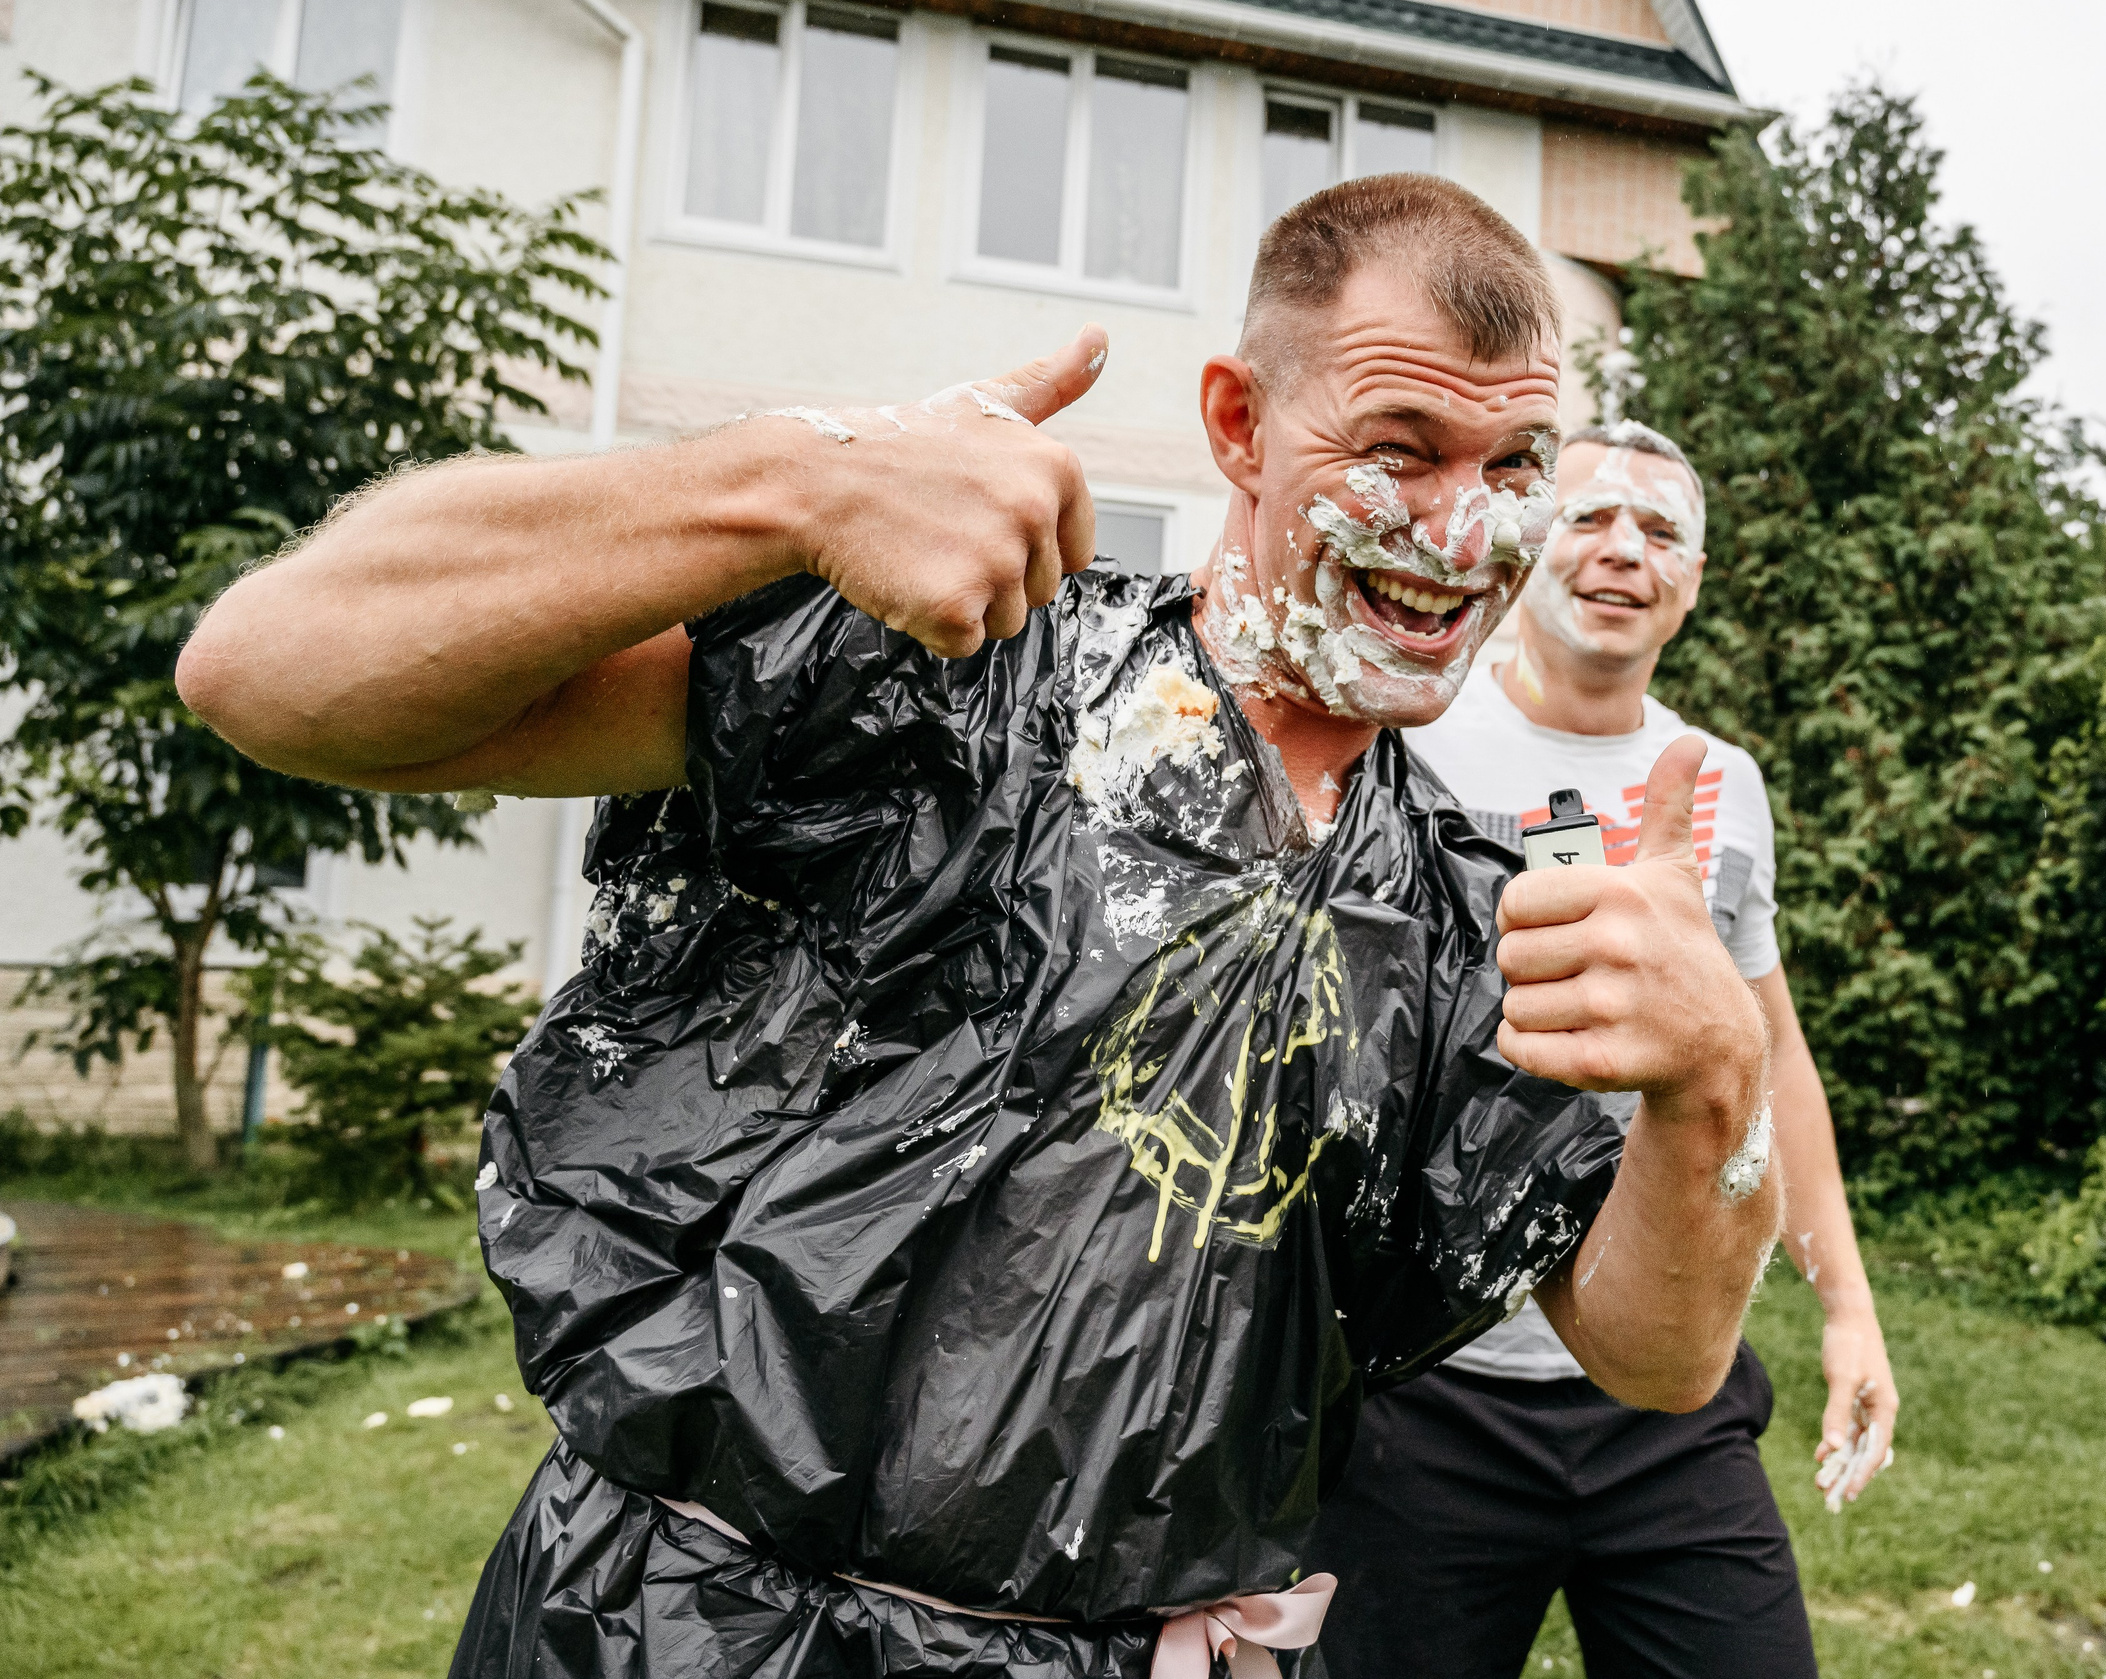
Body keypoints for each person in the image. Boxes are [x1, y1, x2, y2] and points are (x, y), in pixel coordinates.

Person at [176, 178, 1783, 1679]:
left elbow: (1655, 1351)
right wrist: (785, 485)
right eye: (1402, 446)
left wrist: (1712, 1085)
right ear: (1238, 421)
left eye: (1514, 469)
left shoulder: (1456, 915)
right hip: (670, 1618)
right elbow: (269, 672)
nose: (1460, 535)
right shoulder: (953, 663)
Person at [1307, 422, 1901, 1679]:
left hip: (1668, 1396)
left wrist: (1846, 1308)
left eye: (1661, 532)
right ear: (1527, 548)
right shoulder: (1407, 741)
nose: (1623, 549)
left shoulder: (1721, 783)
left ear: (1692, 580)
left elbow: (1771, 1057)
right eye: (1587, 518)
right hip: (1428, 1385)